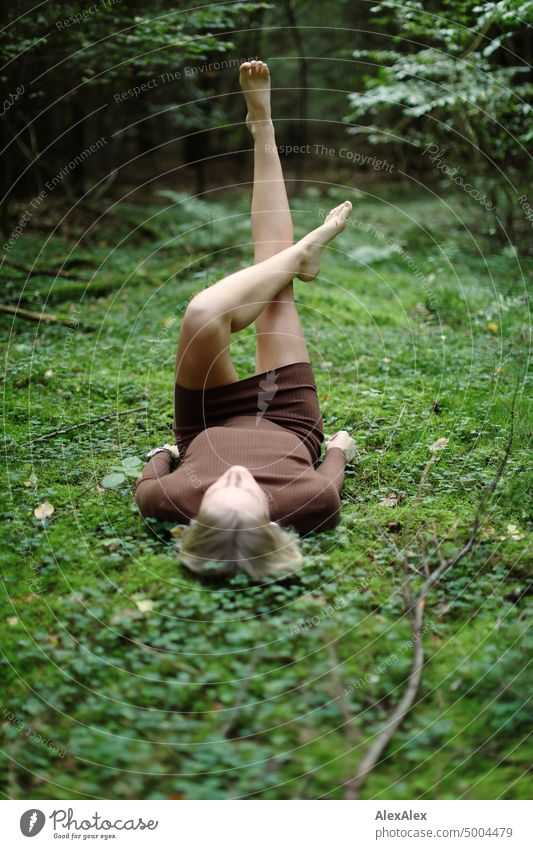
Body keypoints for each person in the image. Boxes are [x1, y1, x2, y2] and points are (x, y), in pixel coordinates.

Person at [135, 60, 355, 579]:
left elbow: (157, 464)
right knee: (275, 295)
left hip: (207, 418)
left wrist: (167, 453)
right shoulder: (313, 505)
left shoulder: (162, 501)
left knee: (204, 312)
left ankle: (299, 256)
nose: (234, 476)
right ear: (274, 522)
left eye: (217, 493)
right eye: (248, 492)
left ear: (191, 520)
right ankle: (263, 125)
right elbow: (335, 463)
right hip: (288, 417)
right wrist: (341, 447)